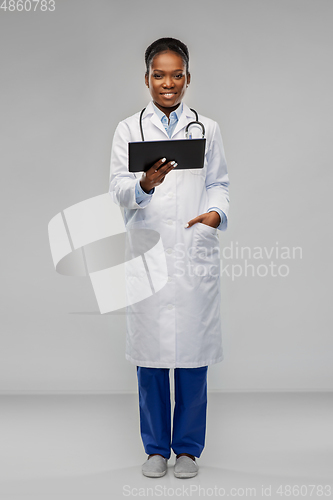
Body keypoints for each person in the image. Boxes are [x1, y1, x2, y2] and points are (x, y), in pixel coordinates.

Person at [109, 37, 230, 478]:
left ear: (187, 78)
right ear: (146, 79)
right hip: (149, 252)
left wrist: (216, 214)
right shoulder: (129, 129)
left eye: (176, 74)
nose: (168, 83)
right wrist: (145, 184)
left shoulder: (207, 129)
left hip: (192, 249)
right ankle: (156, 448)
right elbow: (117, 190)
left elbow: (220, 183)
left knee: (193, 356)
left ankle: (189, 450)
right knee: (152, 357)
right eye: (159, 75)